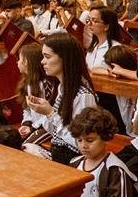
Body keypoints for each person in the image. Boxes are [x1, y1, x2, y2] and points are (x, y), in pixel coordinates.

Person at [24, 35, 96, 163]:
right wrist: (42, 112)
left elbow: (81, 143)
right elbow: (56, 132)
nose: (42, 62)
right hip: (59, 154)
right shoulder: (62, 88)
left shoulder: (83, 96)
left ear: (65, 59)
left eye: (47, 57)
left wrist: (51, 113)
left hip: (73, 160)